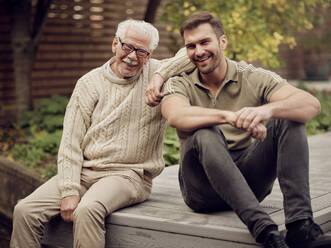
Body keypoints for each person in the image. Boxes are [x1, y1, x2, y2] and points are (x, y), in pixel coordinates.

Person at [10, 19, 193, 248]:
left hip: (129, 175)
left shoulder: (157, 74)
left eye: (142, 51)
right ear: (115, 43)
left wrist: (159, 76)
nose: (133, 57)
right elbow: (70, 143)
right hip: (86, 172)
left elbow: (192, 53)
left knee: (87, 209)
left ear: (150, 54)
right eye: (127, 47)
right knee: (25, 211)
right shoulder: (88, 83)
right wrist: (69, 190)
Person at [157, 12, 331, 248]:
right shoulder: (179, 81)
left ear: (223, 41)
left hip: (249, 183)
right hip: (201, 190)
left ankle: (300, 225)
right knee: (205, 132)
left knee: (289, 117)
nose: (198, 51)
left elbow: (311, 105)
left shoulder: (252, 76)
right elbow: (176, 115)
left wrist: (267, 111)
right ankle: (264, 230)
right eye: (191, 46)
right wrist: (229, 117)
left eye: (204, 42)